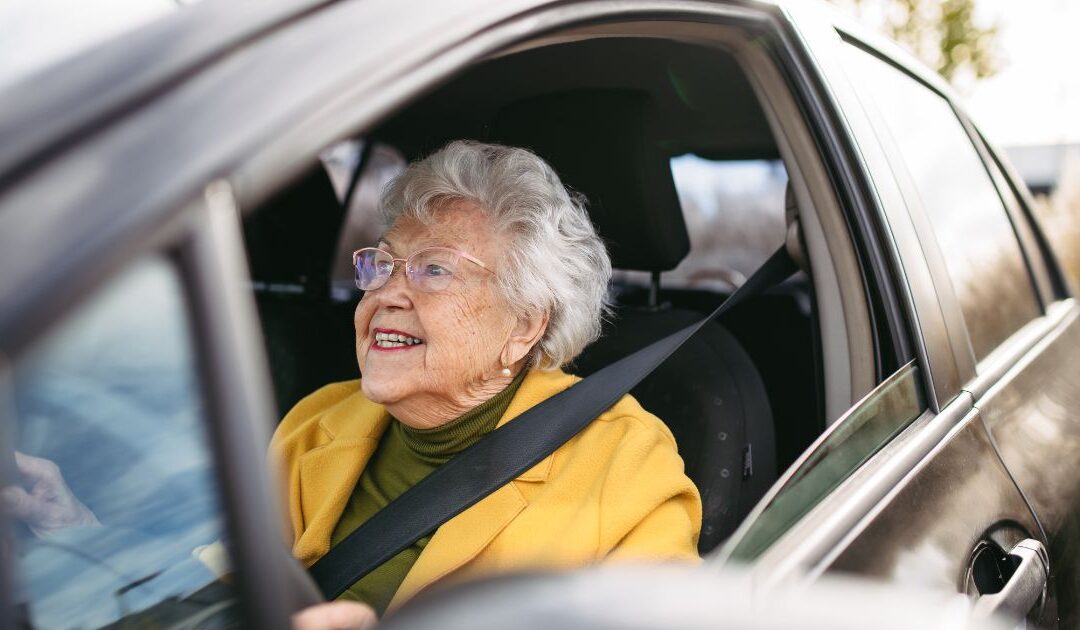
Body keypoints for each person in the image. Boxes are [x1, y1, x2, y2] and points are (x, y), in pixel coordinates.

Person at [281, 140, 701, 628]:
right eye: (384, 264)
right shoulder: (315, 422)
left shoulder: (625, 463)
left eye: (434, 270)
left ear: (524, 326)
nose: (388, 293)